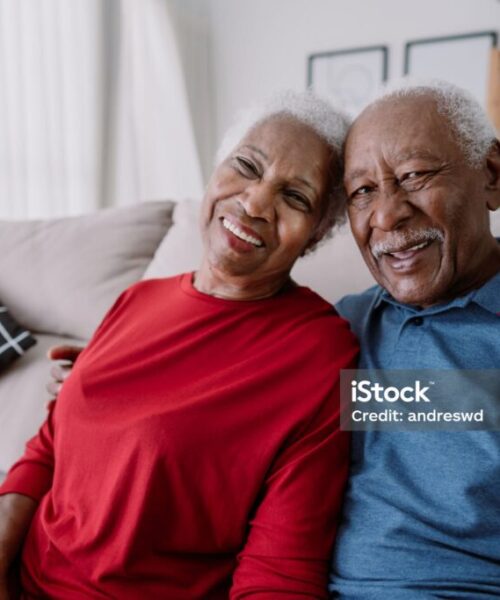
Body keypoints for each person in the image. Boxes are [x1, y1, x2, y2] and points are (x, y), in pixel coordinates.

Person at [0, 91, 359, 599]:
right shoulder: (136, 299)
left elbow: (280, 571)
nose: (255, 202)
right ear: (216, 171)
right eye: (246, 166)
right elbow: (49, 446)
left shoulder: (320, 355)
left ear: (317, 236)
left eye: (294, 197)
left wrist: (471, 401)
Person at [329, 80, 500, 598]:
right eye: (363, 192)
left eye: (414, 176)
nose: (386, 215)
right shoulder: (341, 328)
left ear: (491, 176)